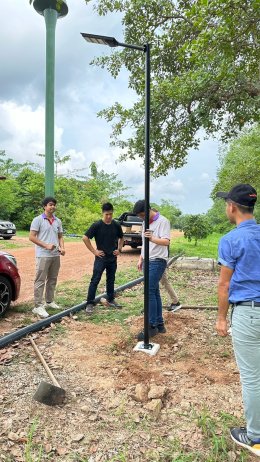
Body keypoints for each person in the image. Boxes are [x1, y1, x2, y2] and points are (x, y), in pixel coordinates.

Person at [215, 183, 260, 457]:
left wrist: (221, 318)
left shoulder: (231, 240)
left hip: (248, 312)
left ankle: (254, 436)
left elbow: (224, 285)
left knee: (252, 377)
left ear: (232, 206)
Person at [133, 200, 171, 340]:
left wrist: (153, 238)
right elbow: (144, 243)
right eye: (140, 216)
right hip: (148, 260)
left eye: (143, 215)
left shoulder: (163, 221)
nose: (142, 218)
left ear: (149, 210)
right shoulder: (145, 223)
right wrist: (141, 258)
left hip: (158, 261)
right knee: (154, 291)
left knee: (149, 291)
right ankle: (159, 324)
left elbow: (166, 241)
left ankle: (151, 325)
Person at [83, 202, 124, 314]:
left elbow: (121, 237)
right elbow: (85, 238)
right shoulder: (97, 225)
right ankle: (90, 303)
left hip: (112, 258)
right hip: (101, 258)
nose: (109, 216)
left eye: (110, 214)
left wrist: (119, 249)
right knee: (95, 280)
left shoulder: (116, 225)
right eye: (106, 214)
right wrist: (94, 251)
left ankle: (111, 299)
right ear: (103, 213)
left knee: (111, 279)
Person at [29, 197, 65, 318]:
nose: (53, 207)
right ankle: (38, 306)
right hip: (43, 255)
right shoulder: (37, 220)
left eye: (54, 205)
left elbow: (60, 236)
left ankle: (49, 301)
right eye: (50, 205)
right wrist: (45, 245)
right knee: (40, 280)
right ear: (44, 206)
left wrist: (62, 247)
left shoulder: (57, 221)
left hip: (55, 255)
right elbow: (32, 237)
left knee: (52, 279)